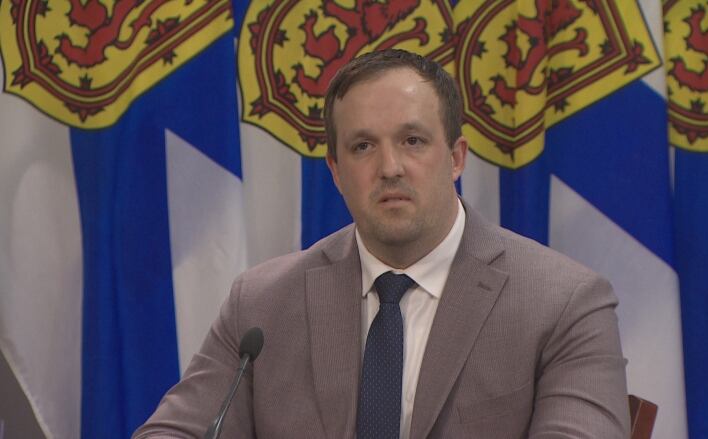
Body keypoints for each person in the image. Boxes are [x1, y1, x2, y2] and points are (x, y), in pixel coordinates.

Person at [134, 49, 630, 438]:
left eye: (412, 140)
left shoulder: (564, 302)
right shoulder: (262, 303)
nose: (389, 167)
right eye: (363, 146)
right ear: (336, 171)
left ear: (456, 157)